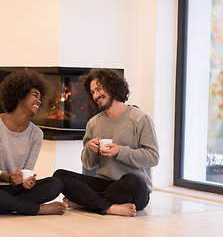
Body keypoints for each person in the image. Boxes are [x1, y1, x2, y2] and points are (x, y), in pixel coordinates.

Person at [53, 68, 159, 217]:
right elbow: (89, 164)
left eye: (99, 89)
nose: (96, 95)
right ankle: (109, 207)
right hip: (104, 184)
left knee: (133, 181)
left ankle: (86, 202)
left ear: (113, 86)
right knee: (60, 175)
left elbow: (153, 157)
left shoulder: (140, 118)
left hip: (132, 188)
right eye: (92, 92)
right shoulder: (94, 123)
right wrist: (90, 149)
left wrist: (119, 151)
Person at [0, 69, 68, 217]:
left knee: (56, 184)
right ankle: (38, 209)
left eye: (40, 98)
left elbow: (28, 169)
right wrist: (9, 177)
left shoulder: (36, 134)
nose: (39, 101)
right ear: (20, 96)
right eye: (35, 95)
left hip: (16, 189)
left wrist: (28, 181)